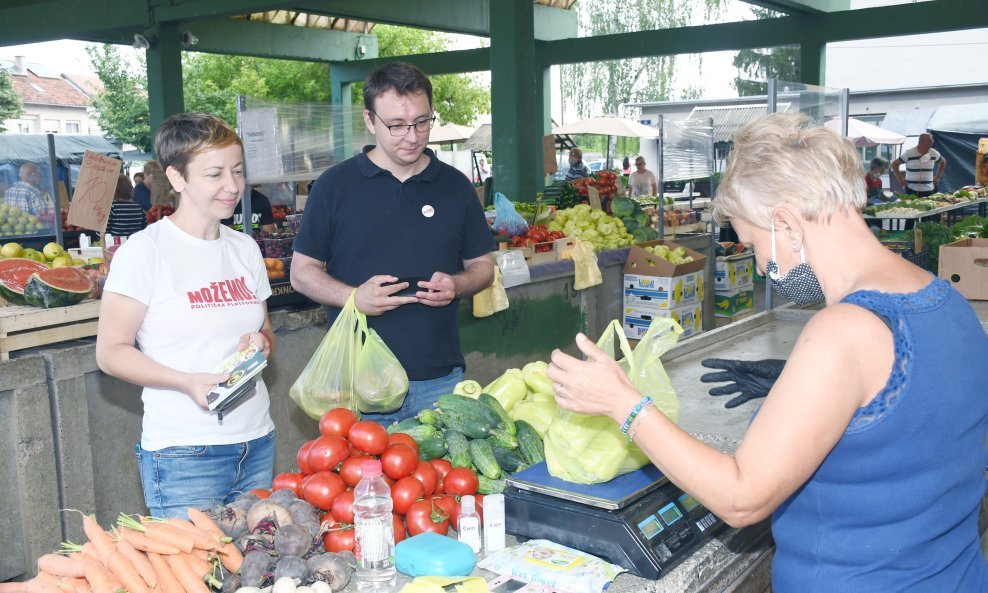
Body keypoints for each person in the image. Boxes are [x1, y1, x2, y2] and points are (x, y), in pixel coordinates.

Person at [547, 113, 988, 593]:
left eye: (754, 241)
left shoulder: (842, 333)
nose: (759, 264)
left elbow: (741, 497)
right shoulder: (947, 301)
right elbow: (910, 426)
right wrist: (801, 381)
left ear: (787, 224)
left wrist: (623, 405)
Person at [291, 62, 495, 426]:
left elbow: (483, 266)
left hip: (439, 380)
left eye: (422, 122)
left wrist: (457, 284)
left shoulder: (456, 187)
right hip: (356, 386)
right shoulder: (334, 187)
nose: (412, 136)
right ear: (370, 121)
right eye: (396, 126)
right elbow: (302, 273)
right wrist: (354, 297)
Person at [95, 113, 276, 519]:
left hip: (257, 441)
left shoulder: (244, 248)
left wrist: (262, 341)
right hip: (183, 453)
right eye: (215, 174)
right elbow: (110, 352)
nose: (232, 186)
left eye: (238, 170)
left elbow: (265, 330)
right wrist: (184, 381)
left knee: (255, 573)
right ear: (177, 178)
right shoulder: (145, 252)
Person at [891, 133, 947, 197]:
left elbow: (943, 162)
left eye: (931, 142)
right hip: (911, 190)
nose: (931, 144)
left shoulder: (933, 153)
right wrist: (900, 179)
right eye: (930, 142)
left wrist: (938, 177)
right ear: (921, 142)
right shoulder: (909, 153)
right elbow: (894, 164)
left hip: (929, 189)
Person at [105, 173, 147, 238]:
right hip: (135, 244)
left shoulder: (112, 207)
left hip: (117, 246)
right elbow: (144, 228)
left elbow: (104, 231)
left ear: (114, 189)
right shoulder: (139, 207)